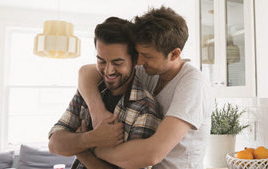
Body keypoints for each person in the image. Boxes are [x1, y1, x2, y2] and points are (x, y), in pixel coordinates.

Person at [77, 6, 213, 169]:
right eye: (138, 53)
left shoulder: (193, 83)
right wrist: (97, 111)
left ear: (174, 54)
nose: (139, 61)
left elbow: (152, 154)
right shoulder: (150, 72)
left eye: (147, 56)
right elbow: (85, 72)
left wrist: (95, 149)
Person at [48, 17, 162, 169]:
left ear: (135, 60)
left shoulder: (145, 108)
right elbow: (54, 144)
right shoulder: (89, 90)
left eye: (117, 63)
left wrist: (83, 153)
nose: (108, 71)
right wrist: (90, 139)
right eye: (101, 61)